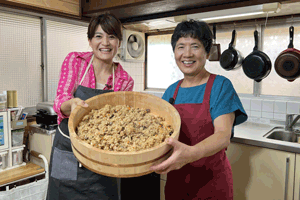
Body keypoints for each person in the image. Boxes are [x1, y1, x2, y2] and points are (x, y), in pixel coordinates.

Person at [150, 19, 248, 200]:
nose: (187, 54)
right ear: (174, 52)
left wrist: (190, 154)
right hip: (176, 183)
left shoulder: (220, 86)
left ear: (207, 52)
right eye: (180, 47)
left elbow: (222, 136)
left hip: (211, 185)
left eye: (195, 46)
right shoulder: (172, 90)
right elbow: (157, 131)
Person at [47, 13, 134, 200]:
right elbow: (60, 99)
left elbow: (120, 122)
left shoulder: (125, 81)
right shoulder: (75, 61)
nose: (105, 42)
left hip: (102, 156)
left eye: (112, 37)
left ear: (119, 42)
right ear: (89, 40)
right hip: (68, 148)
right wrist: (71, 104)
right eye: (98, 36)